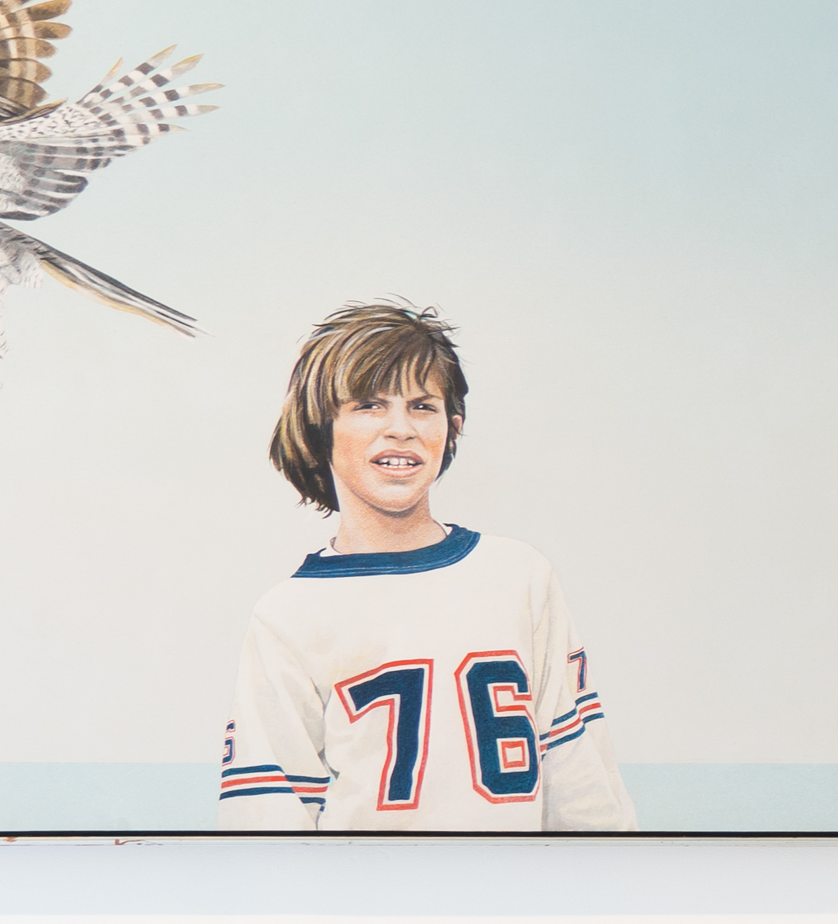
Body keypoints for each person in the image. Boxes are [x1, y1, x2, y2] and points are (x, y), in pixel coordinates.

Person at [216, 301, 634, 832]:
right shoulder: (289, 614)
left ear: (451, 427)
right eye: (369, 405)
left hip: (515, 885)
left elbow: (580, 781)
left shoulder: (519, 576)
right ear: (321, 430)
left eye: (422, 406)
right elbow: (266, 815)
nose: (401, 429)